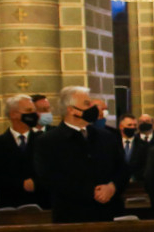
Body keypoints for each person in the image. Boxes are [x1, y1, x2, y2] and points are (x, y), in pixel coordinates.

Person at [33, 85, 129, 223]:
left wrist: (112, 187)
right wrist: (91, 192)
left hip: (110, 212)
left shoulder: (107, 136)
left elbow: (123, 168)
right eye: (87, 104)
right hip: (72, 215)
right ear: (71, 110)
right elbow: (50, 178)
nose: (93, 108)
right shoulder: (48, 141)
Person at [0, 94, 45, 209]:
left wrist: (36, 183)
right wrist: (21, 185)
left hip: (42, 205)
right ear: (13, 114)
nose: (35, 115)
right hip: (8, 207)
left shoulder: (45, 142)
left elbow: (54, 173)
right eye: (29, 111)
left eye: (35, 111)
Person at [126, 115, 154, 184]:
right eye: (141, 122)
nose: (144, 123)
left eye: (147, 121)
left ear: (153, 123)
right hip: (137, 180)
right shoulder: (132, 140)